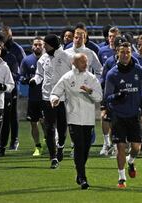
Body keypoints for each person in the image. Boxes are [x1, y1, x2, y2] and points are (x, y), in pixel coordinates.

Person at [50, 53, 102, 190]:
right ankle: (83, 178)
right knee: (78, 147)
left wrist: (90, 91)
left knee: (85, 149)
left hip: (88, 119)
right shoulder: (67, 78)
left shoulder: (91, 78)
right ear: (75, 63)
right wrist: (54, 99)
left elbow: (99, 97)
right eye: (83, 62)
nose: (86, 65)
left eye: (86, 62)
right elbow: (55, 92)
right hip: (73, 118)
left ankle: (79, 173)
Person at [104, 42, 142, 188]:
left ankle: (131, 161)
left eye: (128, 52)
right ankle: (121, 178)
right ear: (117, 53)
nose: (125, 55)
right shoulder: (112, 74)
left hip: (134, 115)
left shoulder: (139, 70)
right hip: (118, 116)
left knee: (136, 148)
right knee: (120, 147)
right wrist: (117, 96)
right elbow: (107, 97)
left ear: (131, 53)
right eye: (122, 52)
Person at [30, 34, 71, 169]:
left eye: (46, 44)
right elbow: (39, 74)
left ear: (52, 44)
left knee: (62, 127)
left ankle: (60, 147)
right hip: (47, 97)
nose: (44, 47)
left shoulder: (66, 57)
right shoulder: (43, 58)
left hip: (63, 97)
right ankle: (53, 157)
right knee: (49, 128)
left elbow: (74, 74)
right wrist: (34, 80)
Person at [0, 26, 26, 154]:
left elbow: (22, 68)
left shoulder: (17, 50)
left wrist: (13, 79)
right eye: (2, 34)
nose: (3, 36)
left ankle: (14, 140)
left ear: (10, 34)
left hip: (12, 87)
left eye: (5, 34)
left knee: (12, 115)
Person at [20, 36, 46, 156]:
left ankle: (48, 141)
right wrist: (26, 80)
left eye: (40, 44)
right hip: (33, 98)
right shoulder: (26, 60)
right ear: (32, 46)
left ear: (44, 46)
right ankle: (37, 146)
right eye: (36, 44)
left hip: (45, 97)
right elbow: (21, 77)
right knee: (33, 122)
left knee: (45, 122)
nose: (37, 46)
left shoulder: (48, 59)